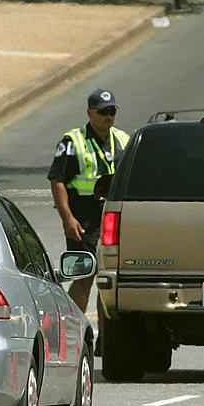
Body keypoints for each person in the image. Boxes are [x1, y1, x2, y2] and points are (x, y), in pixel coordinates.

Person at [47, 88, 130, 350]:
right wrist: (67, 218)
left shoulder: (123, 140)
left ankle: (105, 339)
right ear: (90, 113)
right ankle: (71, 338)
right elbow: (57, 180)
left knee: (108, 278)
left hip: (112, 216)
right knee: (84, 276)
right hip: (83, 217)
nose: (109, 117)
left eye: (112, 111)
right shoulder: (73, 141)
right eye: (103, 112)